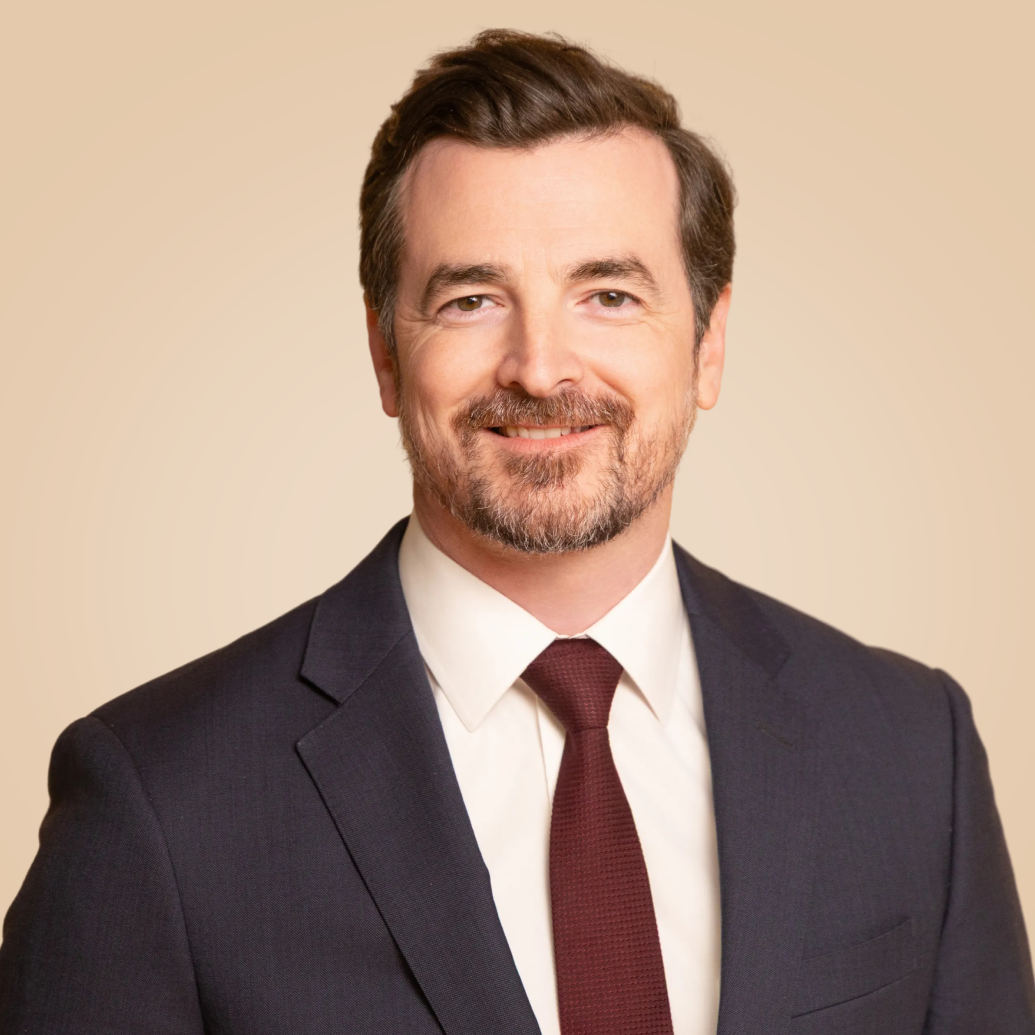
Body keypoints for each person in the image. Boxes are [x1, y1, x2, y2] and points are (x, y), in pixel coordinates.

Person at [1, 28, 1032, 1035]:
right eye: (471, 299)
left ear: (709, 345)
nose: (541, 366)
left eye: (610, 294)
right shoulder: (158, 802)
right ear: (384, 353)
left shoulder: (909, 752)